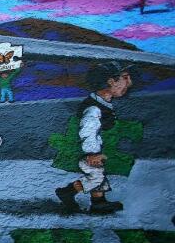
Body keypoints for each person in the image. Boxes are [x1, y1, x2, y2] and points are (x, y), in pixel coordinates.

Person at [55, 61, 134, 214]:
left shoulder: (103, 104)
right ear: (111, 81)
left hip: (93, 149)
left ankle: (98, 202)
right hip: (88, 151)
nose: (128, 83)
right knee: (95, 177)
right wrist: (92, 153)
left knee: (98, 174)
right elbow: (88, 131)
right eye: (125, 78)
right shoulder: (94, 108)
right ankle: (68, 192)